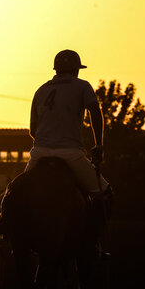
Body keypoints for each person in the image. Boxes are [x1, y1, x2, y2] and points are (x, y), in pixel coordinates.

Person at [25, 49, 110, 195]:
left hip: (39, 154)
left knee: (17, 194)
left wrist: (48, 144)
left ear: (56, 69)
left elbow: (33, 130)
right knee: (105, 194)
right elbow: (95, 111)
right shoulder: (83, 86)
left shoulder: (40, 90)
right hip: (71, 154)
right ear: (76, 70)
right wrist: (99, 145)